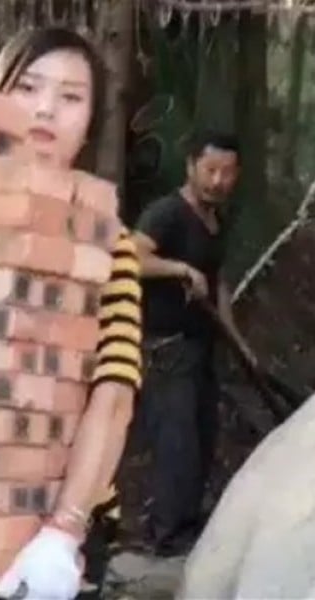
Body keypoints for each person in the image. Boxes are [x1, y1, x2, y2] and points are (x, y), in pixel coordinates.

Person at [0, 28, 142, 600]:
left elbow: (114, 390)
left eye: (71, 97)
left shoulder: (109, 244)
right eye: (28, 88)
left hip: (53, 519)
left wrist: (65, 529)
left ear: (91, 122)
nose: (46, 108)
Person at [132, 131, 256, 558]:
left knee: (202, 439)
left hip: (201, 348)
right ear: (191, 167)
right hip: (166, 348)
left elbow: (219, 288)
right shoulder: (167, 213)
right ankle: (165, 536)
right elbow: (131, 257)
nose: (218, 181)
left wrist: (238, 343)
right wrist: (179, 269)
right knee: (176, 443)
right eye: (210, 170)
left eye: (227, 173)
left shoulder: (216, 221)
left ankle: (185, 529)